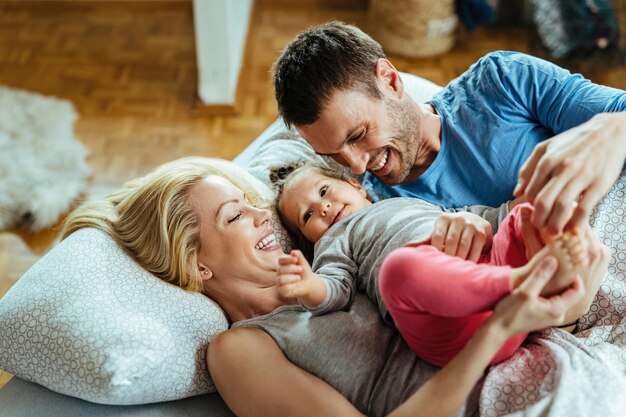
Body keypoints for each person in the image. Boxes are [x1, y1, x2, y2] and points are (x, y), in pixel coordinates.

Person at [60, 157, 603, 417]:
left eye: (254, 206)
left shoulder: (335, 250)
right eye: (235, 216)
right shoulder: (244, 348)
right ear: (196, 264)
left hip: (565, 358)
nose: (264, 218)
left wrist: (562, 304)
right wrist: (505, 327)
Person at [272, 21, 626, 239]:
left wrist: (611, 130)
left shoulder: (500, 83)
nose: (358, 166)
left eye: (357, 136)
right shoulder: (376, 212)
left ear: (391, 81)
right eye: (333, 155)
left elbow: (618, 111)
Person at [271, 161, 588, 366]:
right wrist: (309, 286)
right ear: (311, 239)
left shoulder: (404, 200)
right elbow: (335, 289)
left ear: (355, 185)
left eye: (324, 191)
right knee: (399, 270)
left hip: (490, 274)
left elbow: (478, 218)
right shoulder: (334, 239)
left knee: (523, 217)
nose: (323, 207)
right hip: (454, 326)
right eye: (308, 215)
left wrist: (523, 208)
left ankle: (561, 241)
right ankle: (527, 281)